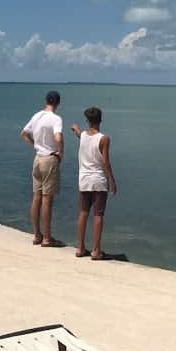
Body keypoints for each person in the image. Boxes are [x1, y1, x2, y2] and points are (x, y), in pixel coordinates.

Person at [71, 107, 117, 260]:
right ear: (100, 120)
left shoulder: (83, 135)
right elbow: (106, 162)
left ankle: (80, 247)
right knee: (98, 214)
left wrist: (75, 128)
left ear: (88, 121)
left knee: (83, 212)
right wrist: (112, 179)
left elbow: (79, 133)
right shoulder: (104, 139)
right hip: (98, 180)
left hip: (84, 179)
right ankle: (96, 250)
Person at [20, 90, 63, 247]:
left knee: (36, 197)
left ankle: (37, 234)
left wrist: (35, 146)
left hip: (37, 158)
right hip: (49, 159)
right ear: (58, 102)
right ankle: (47, 238)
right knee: (47, 199)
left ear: (46, 101)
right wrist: (60, 153)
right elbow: (58, 137)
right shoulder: (56, 119)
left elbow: (24, 133)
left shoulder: (36, 116)